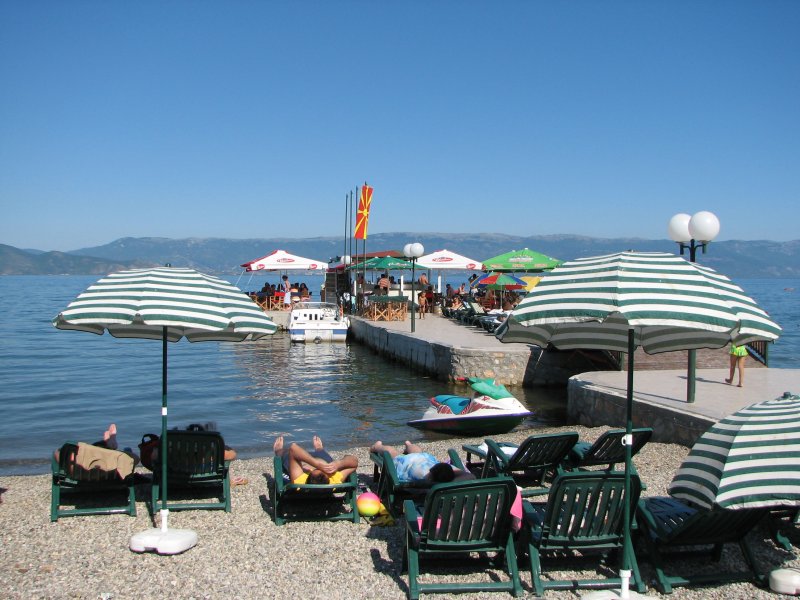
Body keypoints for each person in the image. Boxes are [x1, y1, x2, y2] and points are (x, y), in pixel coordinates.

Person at [369, 440, 474, 484]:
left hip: (421, 460)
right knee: (395, 454)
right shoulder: (423, 477)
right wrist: (451, 483)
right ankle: (379, 446)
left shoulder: (423, 475)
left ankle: (408, 444)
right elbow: (471, 476)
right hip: (412, 462)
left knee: (415, 452)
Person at [274, 435, 358, 485]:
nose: (313, 468)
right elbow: (354, 461)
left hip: (301, 462)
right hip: (322, 459)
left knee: (285, 454)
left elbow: (294, 448)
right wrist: (339, 464)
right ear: (329, 477)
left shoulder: (300, 482)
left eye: (314, 470)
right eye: (323, 470)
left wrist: (317, 464)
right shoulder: (334, 481)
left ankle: (278, 450)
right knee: (323, 455)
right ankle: (319, 448)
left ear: (308, 476)